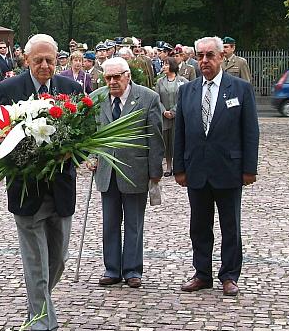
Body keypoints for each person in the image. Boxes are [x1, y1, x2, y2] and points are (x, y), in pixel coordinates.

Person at [0, 34, 82, 331]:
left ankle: (37, 302)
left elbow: (84, 141)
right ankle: (43, 325)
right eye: (38, 60)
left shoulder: (71, 89)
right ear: (26, 60)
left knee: (57, 260)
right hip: (26, 191)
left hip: (61, 188)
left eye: (50, 60)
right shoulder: (8, 91)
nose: (45, 66)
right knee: (36, 264)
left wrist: (69, 153)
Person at [174, 36, 260, 297]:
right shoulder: (187, 90)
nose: (204, 61)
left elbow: (250, 131)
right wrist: (179, 167)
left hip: (229, 169)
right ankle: (202, 273)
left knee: (230, 225)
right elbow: (181, 132)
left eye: (210, 55)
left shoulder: (240, 89)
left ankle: (229, 275)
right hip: (197, 169)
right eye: (200, 56)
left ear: (221, 57)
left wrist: (249, 168)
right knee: (199, 225)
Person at [89, 57, 164, 289]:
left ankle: (132, 270)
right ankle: (111, 268)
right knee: (110, 222)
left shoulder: (148, 97)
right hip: (106, 170)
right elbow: (90, 133)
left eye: (116, 77)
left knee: (134, 222)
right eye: (108, 77)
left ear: (127, 75)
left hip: (136, 170)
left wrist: (155, 172)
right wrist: (91, 156)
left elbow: (155, 137)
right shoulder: (96, 98)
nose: (112, 82)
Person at [155, 57, 187, 176]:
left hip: (178, 116)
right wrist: (164, 111)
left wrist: (174, 111)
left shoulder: (183, 81)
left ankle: (178, 165)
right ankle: (168, 166)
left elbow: (184, 98)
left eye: (166, 64)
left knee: (177, 141)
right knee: (166, 142)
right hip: (164, 117)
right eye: (163, 64)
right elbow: (157, 98)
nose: (164, 67)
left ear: (172, 66)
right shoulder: (159, 82)